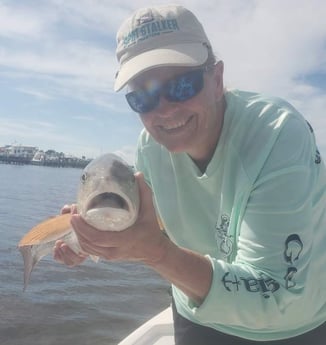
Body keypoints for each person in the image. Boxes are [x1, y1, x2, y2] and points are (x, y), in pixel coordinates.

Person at [54, 4, 326, 344]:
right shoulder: (150, 149)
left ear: (216, 80)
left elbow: (274, 297)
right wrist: (92, 237)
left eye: (183, 85)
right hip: (196, 309)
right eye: (144, 97)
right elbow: (146, 224)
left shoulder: (276, 134)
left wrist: (155, 252)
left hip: (288, 328)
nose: (165, 109)